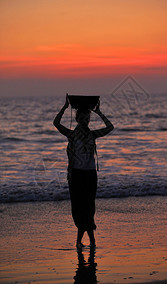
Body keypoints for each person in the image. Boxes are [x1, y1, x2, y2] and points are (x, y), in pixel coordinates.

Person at [53, 94, 114, 248]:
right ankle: (86, 241)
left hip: (90, 173)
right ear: (77, 120)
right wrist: (65, 107)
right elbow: (56, 123)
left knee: (89, 208)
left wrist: (98, 112)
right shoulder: (72, 135)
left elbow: (110, 127)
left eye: (87, 119)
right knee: (80, 208)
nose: (85, 122)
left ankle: (85, 241)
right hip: (76, 173)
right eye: (83, 119)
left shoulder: (93, 135)